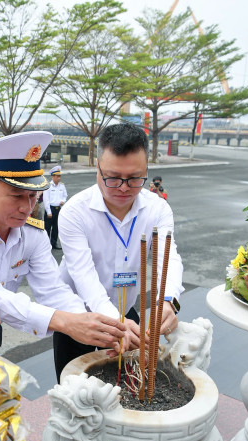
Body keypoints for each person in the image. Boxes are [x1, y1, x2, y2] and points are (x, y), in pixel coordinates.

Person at [0, 131, 126, 355]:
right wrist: (65, 322)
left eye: (33, 197)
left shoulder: (31, 233)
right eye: (16, 195)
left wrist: (98, 325)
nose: (26, 207)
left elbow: (52, 289)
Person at [56, 123, 184, 379]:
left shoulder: (157, 209)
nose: (124, 187)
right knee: (73, 388)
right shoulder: (74, 212)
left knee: (125, 383)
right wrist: (116, 322)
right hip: (78, 311)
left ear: (146, 170)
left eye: (135, 178)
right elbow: (83, 275)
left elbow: (167, 257)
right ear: (97, 170)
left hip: (125, 310)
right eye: (113, 178)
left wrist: (168, 301)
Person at [43, 165, 67, 249]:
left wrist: (63, 201)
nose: (59, 178)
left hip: (58, 209)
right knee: (47, 228)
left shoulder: (62, 186)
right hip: (50, 209)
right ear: (52, 176)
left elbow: (65, 195)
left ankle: (54, 243)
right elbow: (46, 200)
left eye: (60, 176)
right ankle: (46, 244)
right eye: (57, 176)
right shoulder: (48, 186)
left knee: (56, 228)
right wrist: (49, 212)